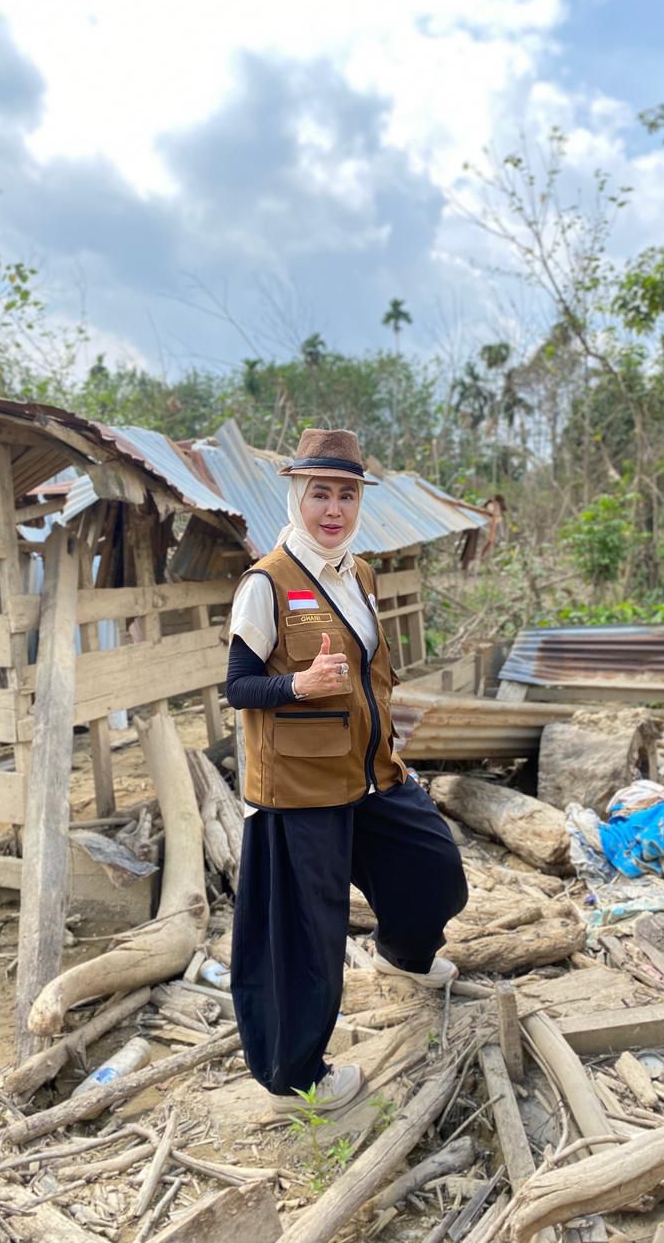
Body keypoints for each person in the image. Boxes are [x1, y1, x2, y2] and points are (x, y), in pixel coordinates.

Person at [226, 427, 469, 1113]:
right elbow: (238, 687)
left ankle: (406, 954)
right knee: (306, 937)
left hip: (371, 774)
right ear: (297, 495)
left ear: (359, 501)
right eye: (319, 494)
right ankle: (296, 1078)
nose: (332, 508)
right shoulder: (266, 584)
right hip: (299, 790)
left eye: (345, 495)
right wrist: (297, 687)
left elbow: (371, 675)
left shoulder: (358, 573)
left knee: (436, 874)